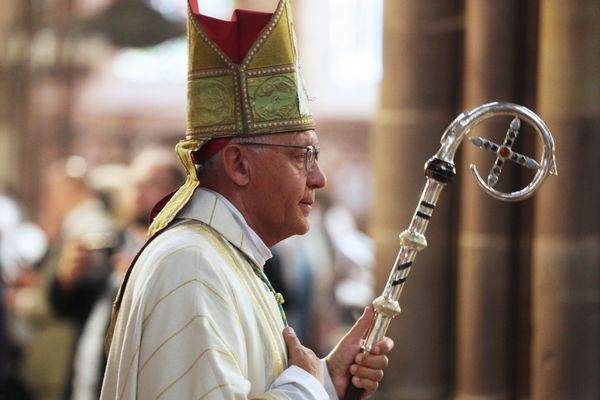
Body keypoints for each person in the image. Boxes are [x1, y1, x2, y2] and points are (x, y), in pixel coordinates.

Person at [101, 1, 394, 399]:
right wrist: (307, 387)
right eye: (301, 156)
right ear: (239, 164)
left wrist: (327, 381)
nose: (319, 178)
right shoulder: (191, 265)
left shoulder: (222, 258)